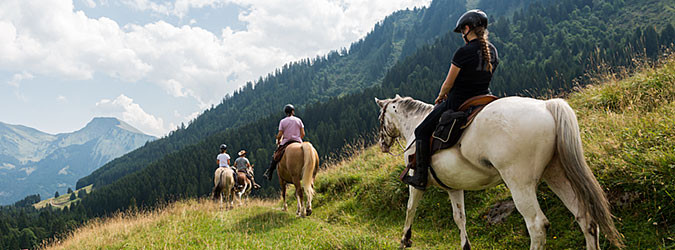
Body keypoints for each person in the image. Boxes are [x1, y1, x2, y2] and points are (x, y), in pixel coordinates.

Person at [402, 9, 499, 190]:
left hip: (459, 102)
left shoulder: (463, 52)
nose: (462, 34)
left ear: (468, 28)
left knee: (421, 131)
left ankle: (420, 178)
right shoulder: (492, 51)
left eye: (463, 30)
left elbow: (448, 83)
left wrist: (440, 97)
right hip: (485, 99)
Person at [263, 104, 305, 180]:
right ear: (293, 111)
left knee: (275, 156)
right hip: (298, 141)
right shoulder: (299, 120)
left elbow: (280, 134)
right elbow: (303, 134)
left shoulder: (283, 121)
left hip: (286, 142)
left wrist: (279, 141)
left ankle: (269, 172)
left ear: (286, 112)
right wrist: (298, 138)